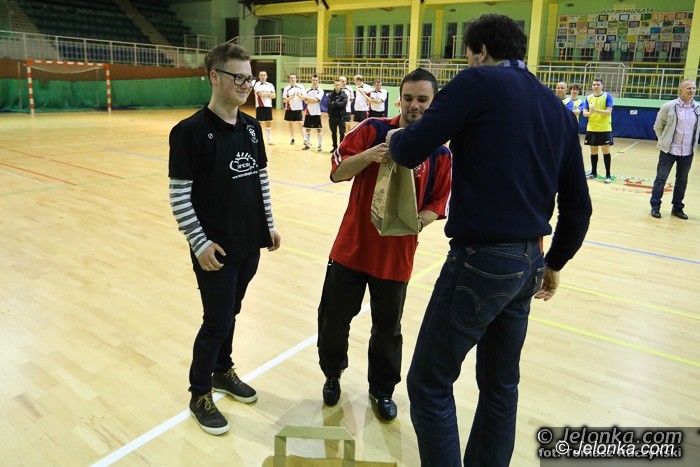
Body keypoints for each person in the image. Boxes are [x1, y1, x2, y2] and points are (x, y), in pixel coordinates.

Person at [386, 14, 592, 466]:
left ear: (480, 52)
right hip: (529, 263)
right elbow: (579, 208)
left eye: (468, 55)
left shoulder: (476, 82)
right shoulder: (556, 108)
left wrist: (399, 137)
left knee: (429, 383)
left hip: (481, 260)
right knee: (501, 385)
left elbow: (411, 149)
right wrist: (553, 263)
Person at [317, 68, 452, 422]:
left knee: (388, 330)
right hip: (351, 248)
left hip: (396, 258)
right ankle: (332, 375)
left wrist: (415, 222)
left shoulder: (439, 152)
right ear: (399, 99)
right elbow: (337, 171)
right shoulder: (373, 130)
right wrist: (371, 155)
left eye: (422, 99)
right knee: (333, 320)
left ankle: (382, 390)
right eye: (408, 98)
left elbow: (438, 203)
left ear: (434, 103)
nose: (414, 105)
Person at [168, 42, 282, 436]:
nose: (247, 85)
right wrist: (199, 243)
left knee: (231, 311)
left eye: (249, 78)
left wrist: (269, 224)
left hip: (249, 242)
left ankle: (222, 370)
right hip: (213, 249)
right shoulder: (189, 132)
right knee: (216, 320)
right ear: (214, 77)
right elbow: (179, 195)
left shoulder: (251, 128)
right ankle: (200, 393)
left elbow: (260, 180)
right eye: (239, 77)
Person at [650, 79, 699, 220]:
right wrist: (663, 141)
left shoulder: (697, 108)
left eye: (694, 88)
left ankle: (677, 208)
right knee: (661, 179)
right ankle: (655, 206)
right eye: (688, 88)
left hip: (688, 152)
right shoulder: (669, 106)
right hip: (668, 151)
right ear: (680, 90)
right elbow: (657, 126)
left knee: (682, 181)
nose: (692, 90)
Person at [582, 78, 614, 183]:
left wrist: (595, 110)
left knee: (605, 150)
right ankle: (593, 172)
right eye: (594, 85)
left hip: (604, 128)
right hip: (591, 128)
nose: (595, 86)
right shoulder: (588, 98)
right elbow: (584, 113)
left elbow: (608, 112)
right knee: (593, 150)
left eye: (598, 84)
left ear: (602, 86)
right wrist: (590, 112)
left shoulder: (607, 96)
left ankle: (608, 175)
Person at [301, 74, 325, 152]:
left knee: (319, 129)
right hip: (308, 112)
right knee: (308, 129)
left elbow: (317, 100)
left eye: (316, 80)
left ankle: (319, 145)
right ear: (311, 80)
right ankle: (307, 145)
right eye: (313, 80)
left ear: (318, 81)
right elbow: (305, 102)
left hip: (317, 112)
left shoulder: (320, 90)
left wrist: (307, 98)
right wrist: (312, 100)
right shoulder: (307, 90)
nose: (315, 81)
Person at [253, 70, 275, 145]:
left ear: (266, 76)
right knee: (259, 123)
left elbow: (274, 96)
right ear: (259, 76)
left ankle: (269, 140)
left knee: (268, 123)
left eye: (264, 75)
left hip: (268, 106)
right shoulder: (257, 85)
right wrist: (269, 93)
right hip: (260, 106)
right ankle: (257, 139)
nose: (263, 77)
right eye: (261, 75)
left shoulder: (270, 85)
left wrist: (265, 93)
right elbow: (261, 94)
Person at [282, 74, 305, 145]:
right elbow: (284, 100)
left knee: (301, 124)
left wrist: (299, 96)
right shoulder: (286, 88)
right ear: (289, 79)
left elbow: (304, 98)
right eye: (291, 78)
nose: (293, 79)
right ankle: (292, 139)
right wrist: (290, 97)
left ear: (296, 79)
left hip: (298, 109)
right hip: (289, 109)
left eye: (294, 77)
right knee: (290, 124)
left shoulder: (301, 87)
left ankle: (305, 139)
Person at [327, 79, 348, 153]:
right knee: (333, 132)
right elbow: (329, 105)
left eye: (339, 85)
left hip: (341, 117)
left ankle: (341, 148)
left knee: (342, 133)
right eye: (336, 85)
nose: (338, 86)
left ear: (341, 85)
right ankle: (335, 147)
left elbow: (343, 105)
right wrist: (338, 103)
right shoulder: (330, 95)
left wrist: (334, 102)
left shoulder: (344, 95)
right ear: (334, 85)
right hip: (332, 117)